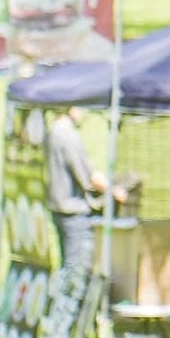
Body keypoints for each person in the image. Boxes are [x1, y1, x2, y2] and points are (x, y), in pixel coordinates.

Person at [45, 107, 110, 274]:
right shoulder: (67, 136)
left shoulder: (50, 132)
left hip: (58, 207)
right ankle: (67, 301)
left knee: (67, 265)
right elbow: (88, 177)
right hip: (73, 210)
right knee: (76, 272)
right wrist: (112, 190)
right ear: (70, 108)